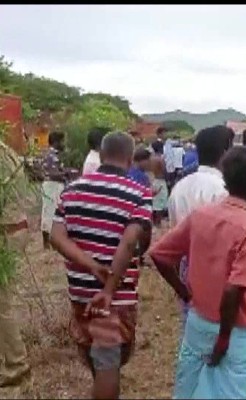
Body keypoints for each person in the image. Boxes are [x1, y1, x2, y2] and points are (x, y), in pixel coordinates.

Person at [148, 146, 246, 399]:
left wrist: (184, 292)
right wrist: (224, 339)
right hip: (233, 331)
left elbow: (159, 255)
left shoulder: (201, 215)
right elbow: (232, 289)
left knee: (189, 389)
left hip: (197, 320)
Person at [49, 131, 152, 400]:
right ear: (130, 159)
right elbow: (130, 243)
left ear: (102, 155)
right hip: (114, 296)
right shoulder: (138, 193)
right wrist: (108, 286)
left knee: (97, 355)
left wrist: (90, 265)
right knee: (108, 363)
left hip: (80, 292)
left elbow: (57, 237)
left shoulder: (71, 191)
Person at [167, 125, 234, 329]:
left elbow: (173, 239)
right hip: (217, 269)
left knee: (193, 330)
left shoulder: (180, 187)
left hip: (188, 266)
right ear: (225, 152)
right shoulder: (223, 189)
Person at [0, 141, 31, 388]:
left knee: (1, 301)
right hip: (13, 230)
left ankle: (16, 363)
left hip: (6, 235)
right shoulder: (6, 150)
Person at [41, 131, 67, 250]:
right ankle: (47, 242)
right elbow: (51, 173)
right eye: (62, 141)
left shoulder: (54, 155)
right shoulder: (51, 156)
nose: (64, 143)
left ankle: (49, 241)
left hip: (54, 185)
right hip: (52, 185)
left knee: (51, 211)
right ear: (56, 142)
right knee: (49, 212)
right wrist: (65, 174)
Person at [150, 141, 168, 227]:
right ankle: (158, 223)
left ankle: (154, 222)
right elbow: (165, 171)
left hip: (153, 180)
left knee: (154, 202)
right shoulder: (160, 159)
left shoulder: (150, 159)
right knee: (161, 203)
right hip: (160, 181)